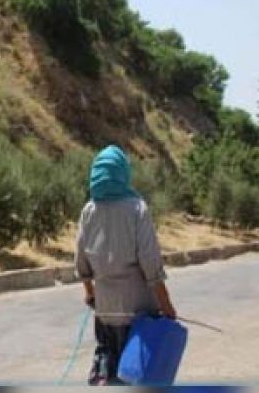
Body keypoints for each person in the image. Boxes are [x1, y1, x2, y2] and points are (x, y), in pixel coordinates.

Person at [75, 145, 177, 386]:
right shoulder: (136, 209)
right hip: (138, 313)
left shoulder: (88, 211)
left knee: (109, 375)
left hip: (105, 311)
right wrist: (167, 306)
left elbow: (81, 260)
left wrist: (91, 294)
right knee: (139, 377)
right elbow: (151, 263)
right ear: (123, 173)